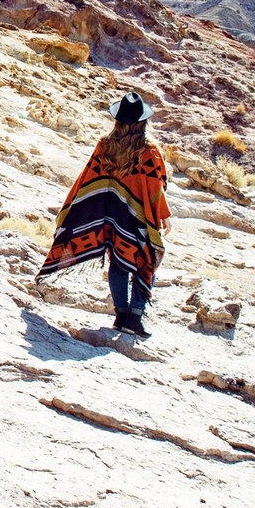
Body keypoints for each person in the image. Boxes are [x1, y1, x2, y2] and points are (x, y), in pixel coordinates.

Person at [36, 91, 169, 337]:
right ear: (143, 122)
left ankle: (121, 315)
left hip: (109, 216)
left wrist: (74, 209)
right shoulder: (149, 152)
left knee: (118, 260)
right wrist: (163, 215)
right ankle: (134, 317)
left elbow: (88, 178)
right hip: (139, 218)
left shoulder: (105, 145)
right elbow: (155, 189)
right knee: (148, 258)